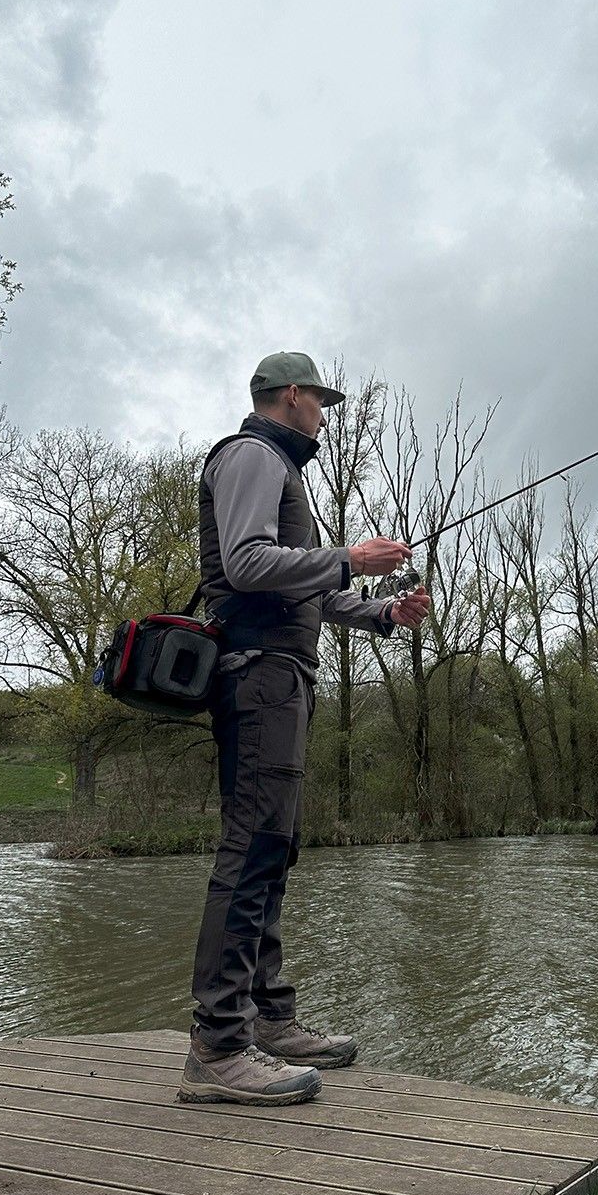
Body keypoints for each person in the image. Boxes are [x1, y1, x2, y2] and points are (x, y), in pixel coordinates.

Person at [177, 351, 430, 1106]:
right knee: (250, 849)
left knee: (274, 850)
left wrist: (383, 611)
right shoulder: (254, 454)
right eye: (321, 399)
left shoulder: (280, 465)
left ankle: (265, 1018)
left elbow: (304, 594)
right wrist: (349, 558)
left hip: (281, 678)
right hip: (258, 677)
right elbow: (251, 565)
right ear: (294, 394)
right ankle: (219, 1046)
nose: (324, 412)